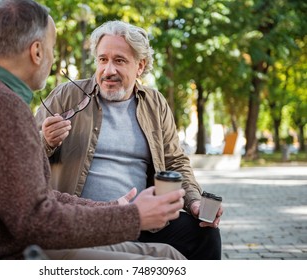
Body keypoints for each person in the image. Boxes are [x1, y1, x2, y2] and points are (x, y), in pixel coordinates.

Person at [0, 0, 187, 260]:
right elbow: (38, 222)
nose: (53, 58)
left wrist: (112, 207)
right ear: (37, 52)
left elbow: (36, 199)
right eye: (52, 48)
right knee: (169, 264)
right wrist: (133, 216)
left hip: (17, 245)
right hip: (6, 258)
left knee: (169, 254)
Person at [35, 20, 224, 260]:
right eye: (102, 60)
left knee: (203, 235)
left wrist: (195, 203)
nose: (108, 70)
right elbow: (22, 157)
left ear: (140, 66)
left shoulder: (155, 103)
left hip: (143, 221)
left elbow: (175, 162)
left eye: (120, 61)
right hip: (85, 220)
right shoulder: (67, 96)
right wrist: (46, 141)